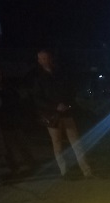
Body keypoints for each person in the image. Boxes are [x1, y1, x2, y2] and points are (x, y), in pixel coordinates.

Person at [32, 49, 94, 179]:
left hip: (66, 113)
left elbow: (70, 90)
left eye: (46, 58)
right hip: (52, 116)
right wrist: (55, 107)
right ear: (39, 61)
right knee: (57, 144)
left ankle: (86, 170)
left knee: (76, 142)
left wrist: (67, 104)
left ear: (50, 58)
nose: (44, 61)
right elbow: (37, 98)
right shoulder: (38, 78)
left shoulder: (60, 74)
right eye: (41, 59)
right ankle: (64, 171)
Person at [0, 66, 35, 175]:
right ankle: (13, 167)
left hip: (14, 120)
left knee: (22, 143)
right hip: (2, 122)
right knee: (7, 147)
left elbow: (17, 100)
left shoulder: (8, 87)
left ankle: (31, 163)